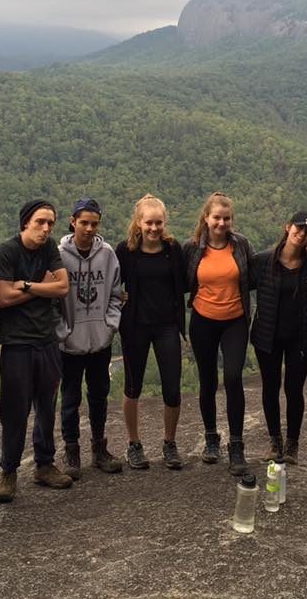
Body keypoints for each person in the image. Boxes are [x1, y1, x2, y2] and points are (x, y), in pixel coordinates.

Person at [0, 199, 72, 501]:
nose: (46, 228)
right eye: (40, 221)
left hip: (47, 341)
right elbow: (3, 297)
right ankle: (8, 471)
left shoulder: (49, 248)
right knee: (15, 411)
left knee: (47, 407)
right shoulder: (9, 250)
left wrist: (25, 285)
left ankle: (45, 464)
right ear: (26, 222)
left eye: (50, 222)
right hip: (17, 344)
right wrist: (40, 285)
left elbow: (62, 287)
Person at [250, 211, 307, 465]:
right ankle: (275, 441)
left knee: (294, 390)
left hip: (301, 338)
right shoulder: (263, 260)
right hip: (267, 335)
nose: (302, 234)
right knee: (270, 387)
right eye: (299, 228)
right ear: (288, 227)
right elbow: (240, 284)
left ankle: (292, 444)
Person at [183, 192, 255, 475]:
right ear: (206, 218)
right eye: (217, 218)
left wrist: (303, 251)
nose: (221, 223)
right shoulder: (192, 248)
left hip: (235, 321)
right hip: (203, 320)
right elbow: (175, 277)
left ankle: (236, 444)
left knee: (233, 377)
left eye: (226, 218)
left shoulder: (241, 245)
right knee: (208, 380)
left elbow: (260, 270)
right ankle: (211, 438)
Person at [116, 194, 187, 471]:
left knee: (172, 388)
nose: (154, 228)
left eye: (158, 223)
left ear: (164, 222)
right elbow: (112, 281)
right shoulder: (126, 251)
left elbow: (187, 279)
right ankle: (134, 444)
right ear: (139, 222)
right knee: (132, 387)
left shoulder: (173, 249)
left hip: (167, 325)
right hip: (136, 326)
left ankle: (170, 443)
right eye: (149, 223)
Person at [57, 198, 124, 478]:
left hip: (99, 340)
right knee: (70, 398)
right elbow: (52, 299)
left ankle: (99, 449)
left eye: (94, 223)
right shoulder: (59, 256)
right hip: (69, 344)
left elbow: (116, 294)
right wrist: (62, 331)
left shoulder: (107, 254)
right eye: (83, 222)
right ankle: (71, 452)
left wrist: (109, 326)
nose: (88, 228)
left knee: (99, 396)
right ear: (73, 222)